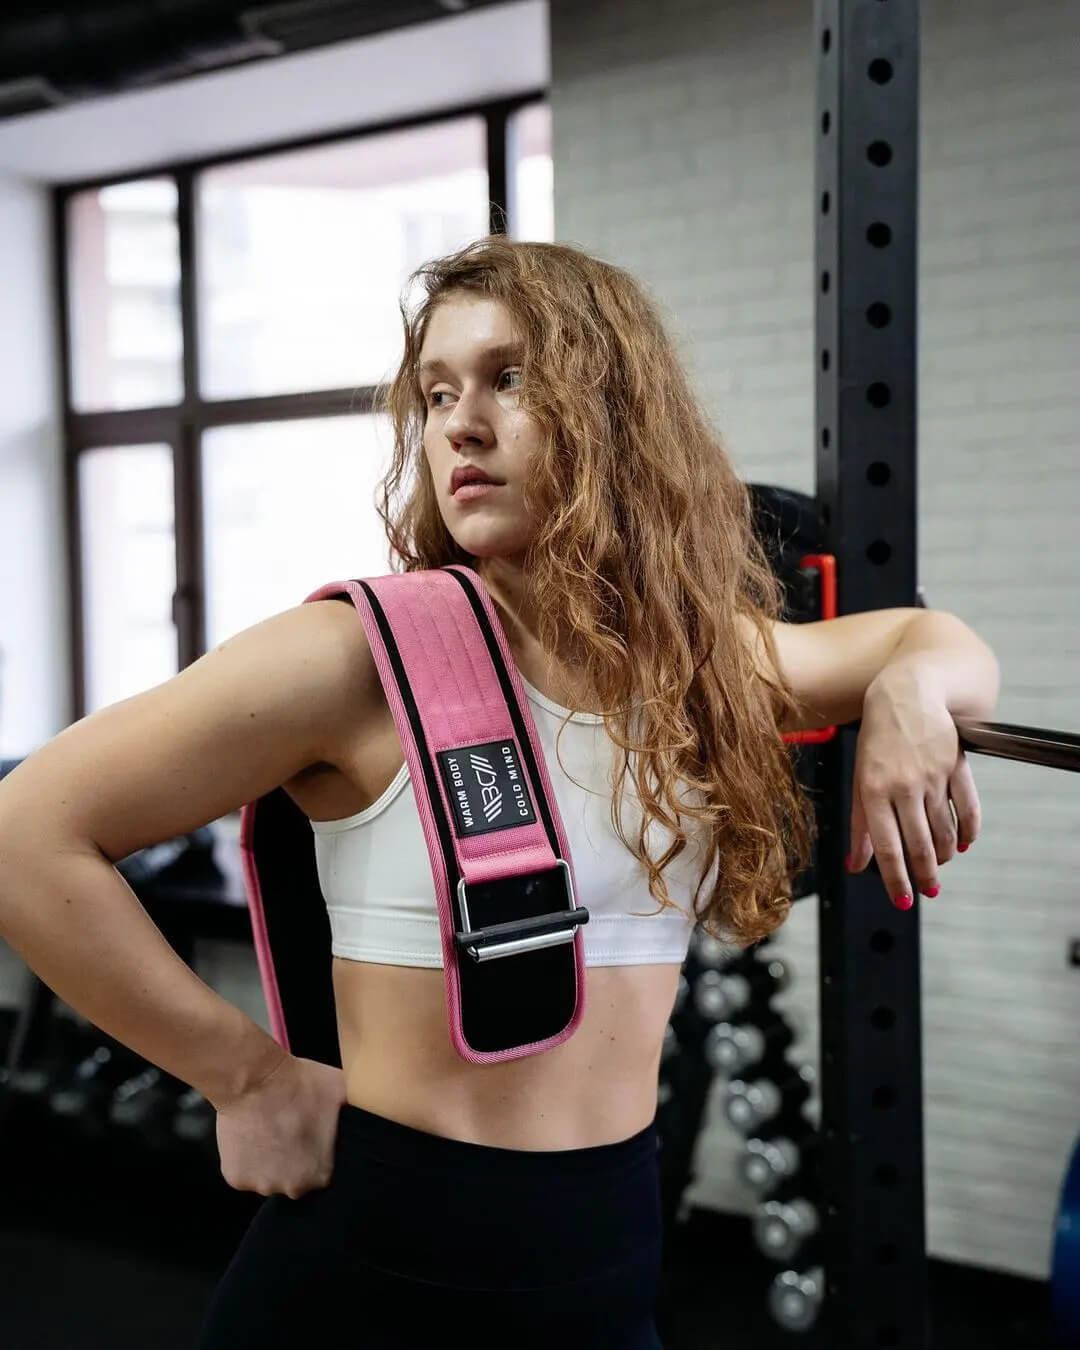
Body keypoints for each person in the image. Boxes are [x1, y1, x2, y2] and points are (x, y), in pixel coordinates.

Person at [0, 236, 994, 1348]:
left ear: (616, 412)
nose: (460, 424)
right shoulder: (355, 657)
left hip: (607, 1264)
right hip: (381, 1279)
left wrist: (911, 691)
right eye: (437, 393)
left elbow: (933, 637)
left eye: (510, 378)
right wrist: (243, 1079)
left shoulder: (693, 661)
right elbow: (25, 833)